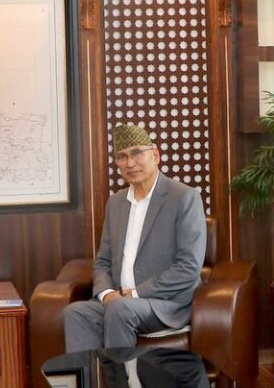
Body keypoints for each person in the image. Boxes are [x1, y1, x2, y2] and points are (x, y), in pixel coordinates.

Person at [63, 124, 206, 352]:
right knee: (76, 313)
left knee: (120, 309)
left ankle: (122, 374)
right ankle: (91, 374)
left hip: (165, 304)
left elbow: (188, 267)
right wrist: (107, 294)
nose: (130, 163)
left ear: (155, 155)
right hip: (119, 301)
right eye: (122, 156)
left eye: (137, 153)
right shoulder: (116, 203)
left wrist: (135, 294)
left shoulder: (184, 197)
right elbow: (103, 261)